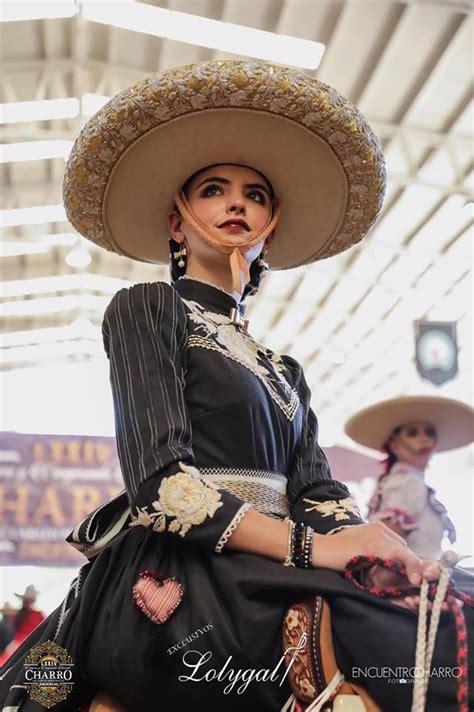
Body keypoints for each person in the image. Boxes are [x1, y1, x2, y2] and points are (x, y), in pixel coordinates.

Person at [1, 60, 472, 712]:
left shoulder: (286, 371)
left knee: (444, 610)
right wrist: (320, 549)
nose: (236, 204)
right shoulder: (146, 309)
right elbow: (163, 485)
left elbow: (319, 491)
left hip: (277, 563)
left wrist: (378, 546)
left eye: (255, 195)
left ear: (271, 226)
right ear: (177, 221)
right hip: (176, 573)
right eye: (214, 190)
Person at [345, 395, 474, 559]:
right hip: (411, 579)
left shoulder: (403, 481)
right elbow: (387, 541)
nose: (424, 438)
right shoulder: (408, 482)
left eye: (430, 432)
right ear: (395, 445)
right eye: (412, 433)